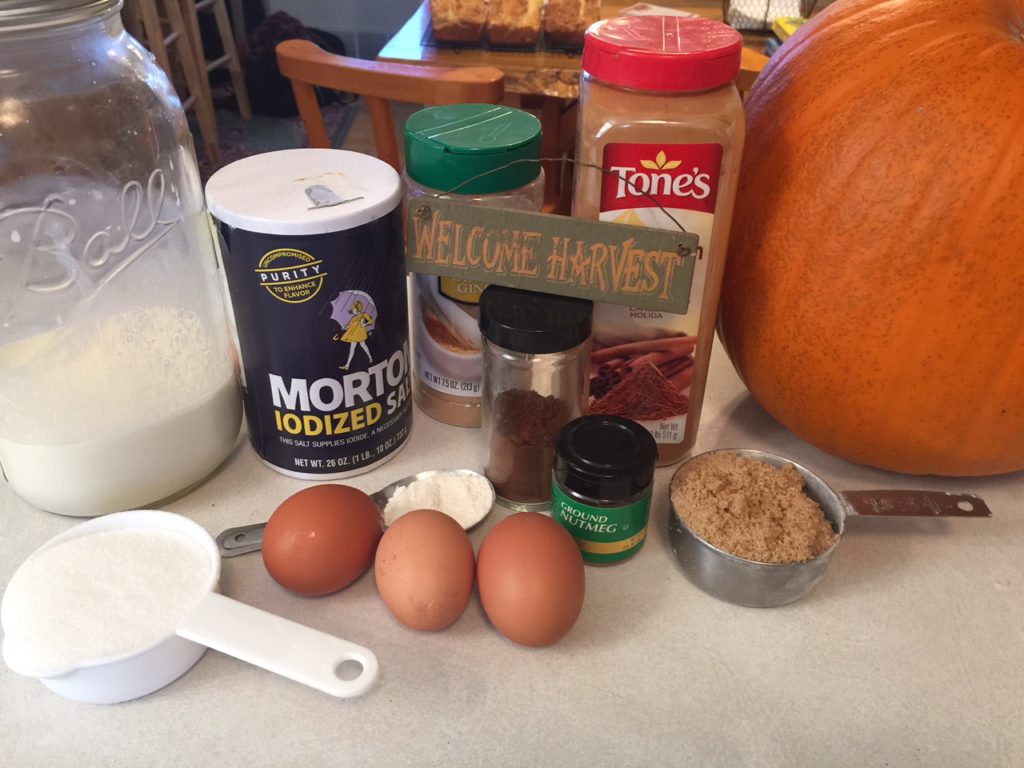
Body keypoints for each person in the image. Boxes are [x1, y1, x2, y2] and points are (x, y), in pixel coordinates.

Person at [337, 300, 374, 371]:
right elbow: (350, 326)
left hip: (360, 333)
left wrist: (365, 324)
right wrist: (345, 327)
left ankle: (370, 357)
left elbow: (371, 321)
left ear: (358, 308)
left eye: (354, 308)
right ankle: (347, 366)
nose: (352, 310)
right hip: (354, 334)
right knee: (353, 349)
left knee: (363, 345)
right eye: (353, 309)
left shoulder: (364, 314)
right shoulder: (353, 318)